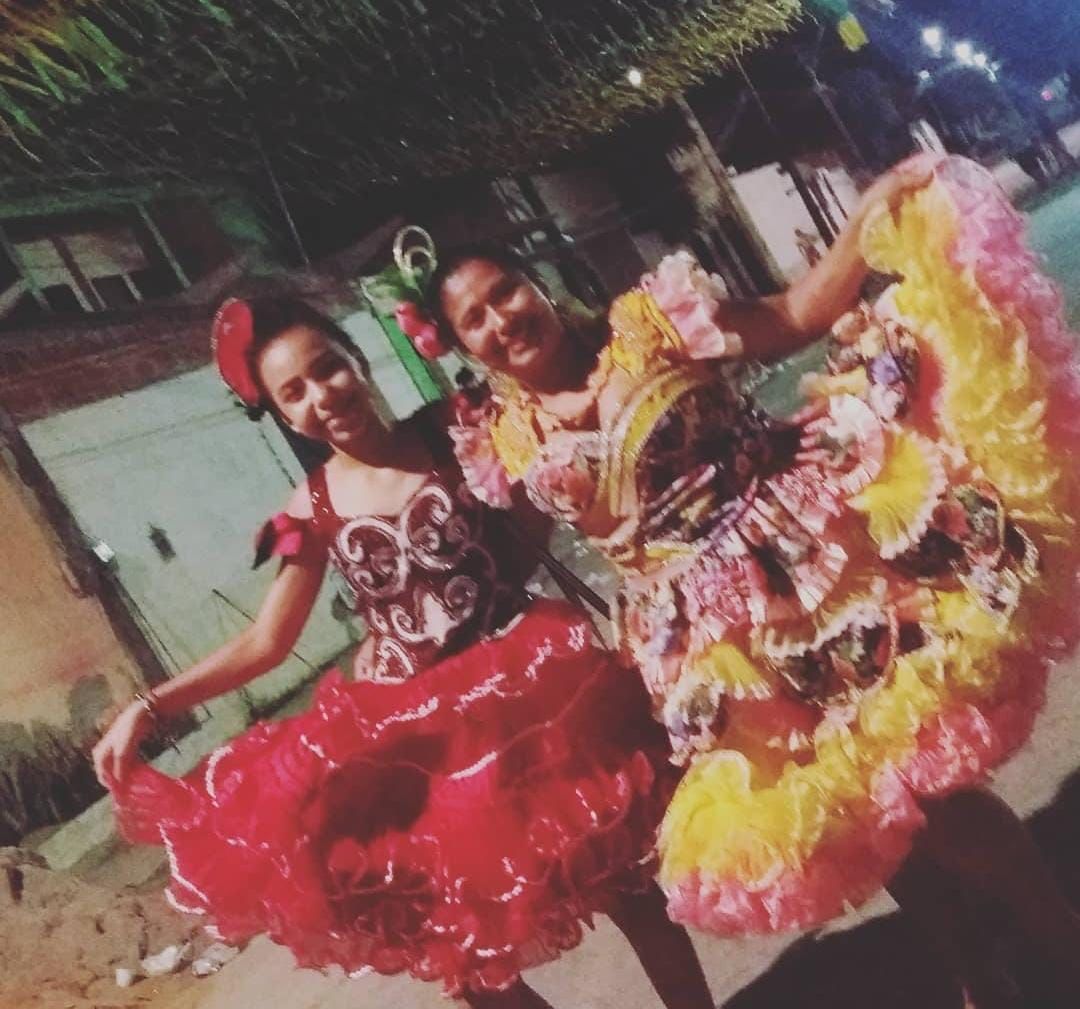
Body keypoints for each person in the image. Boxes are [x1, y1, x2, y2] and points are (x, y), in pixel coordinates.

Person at [411, 155, 1080, 1006]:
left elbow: (796, 313)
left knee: (930, 786)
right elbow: (505, 567)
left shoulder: (650, 322)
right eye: (474, 319)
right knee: (855, 811)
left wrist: (872, 210)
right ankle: (974, 969)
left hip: (812, 570)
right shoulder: (505, 442)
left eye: (504, 292)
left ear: (535, 283)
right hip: (711, 647)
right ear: (461, 347)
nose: (500, 319)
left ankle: (1061, 935)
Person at [91, 297, 714, 1009]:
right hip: (416, 743)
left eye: (328, 368)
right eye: (294, 392)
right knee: (468, 957)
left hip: (530, 694)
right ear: (283, 414)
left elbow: (544, 487)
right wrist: (149, 706)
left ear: (358, 359)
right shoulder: (311, 508)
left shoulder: (454, 427)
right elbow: (267, 640)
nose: (323, 395)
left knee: (626, 881)